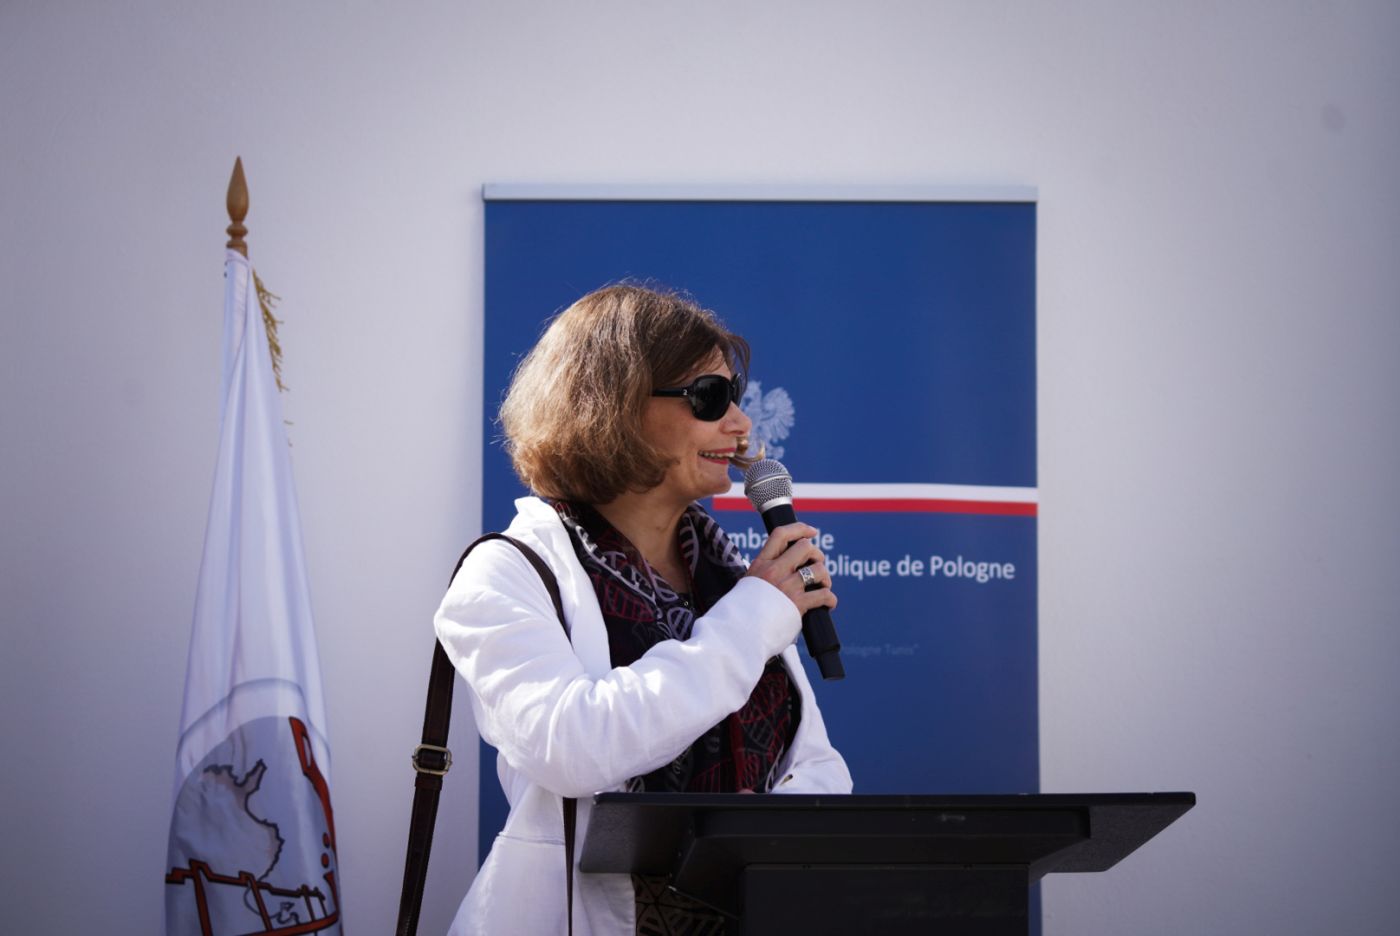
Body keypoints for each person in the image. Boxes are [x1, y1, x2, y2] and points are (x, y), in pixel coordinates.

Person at [434, 284, 852, 935]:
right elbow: (573, 748)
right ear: (613, 406)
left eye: (736, 396)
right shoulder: (508, 572)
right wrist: (752, 618)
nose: (741, 424)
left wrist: (752, 832)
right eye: (709, 398)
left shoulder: (729, 581)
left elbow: (819, 768)